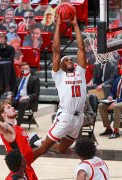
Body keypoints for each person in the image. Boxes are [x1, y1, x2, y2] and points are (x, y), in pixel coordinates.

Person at [32, 14, 87, 159]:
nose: (70, 60)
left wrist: (75, 24)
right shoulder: (59, 75)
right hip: (65, 116)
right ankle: (22, 165)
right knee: (44, 149)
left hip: (79, 117)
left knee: (62, 149)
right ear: (60, 65)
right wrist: (58, 25)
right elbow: (56, 50)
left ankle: (36, 141)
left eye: (71, 59)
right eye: (66, 60)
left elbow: (81, 47)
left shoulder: (80, 71)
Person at [98, 62, 122, 139]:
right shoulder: (117, 79)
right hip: (116, 100)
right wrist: (110, 96)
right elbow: (113, 91)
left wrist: (117, 102)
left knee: (116, 107)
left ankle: (116, 131)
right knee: (101, 106)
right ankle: (108, 128)